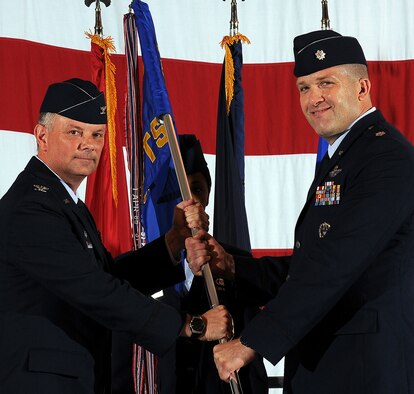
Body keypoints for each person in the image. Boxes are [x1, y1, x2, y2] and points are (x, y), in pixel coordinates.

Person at [186, 29, 414, 394]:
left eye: (326, 83)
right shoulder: (345, 156)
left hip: (365, 371)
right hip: (327, 369)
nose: (314, 98)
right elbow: (309, 265)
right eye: (304, 88)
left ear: (362, 88)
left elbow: (335, 266)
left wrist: (250, 343)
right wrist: (232, 265)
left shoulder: (386, 159)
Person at [0, 78, 232, 394]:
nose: (88, 144)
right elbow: (95, 290)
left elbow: (106, 276)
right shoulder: (31, 207)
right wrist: (193, 325)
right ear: (42, 136)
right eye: (74, 132)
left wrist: (172, 243)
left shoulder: (61, 201)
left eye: (97, 134)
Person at [112, 134, 268, 394]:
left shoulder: (234, 263)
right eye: (176, 192)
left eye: (196, 189)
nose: (188, 201)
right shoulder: (138, 270)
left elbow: (252, 355)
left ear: (208, 195)